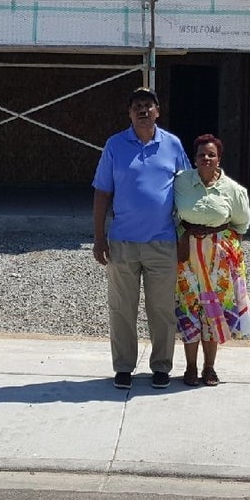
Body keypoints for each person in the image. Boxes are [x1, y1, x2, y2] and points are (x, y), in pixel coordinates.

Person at [92, 87, 191, 389]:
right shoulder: (115, 145)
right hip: (122, 243)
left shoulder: (172, 145)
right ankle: (123, 367)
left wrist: (185, 237)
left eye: (149, 105)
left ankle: (161, 366)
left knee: (161, 309)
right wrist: (99, 238)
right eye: (137, 106)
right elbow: (102, 192)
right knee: (122, 308)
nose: (143, 110)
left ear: (158, 111)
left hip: (163, 243)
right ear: (129, 113)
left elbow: (187, 192)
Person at [173, 133, 250, 386]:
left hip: (218, 260)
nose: (206, 158)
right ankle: (190, 368)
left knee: (213, 311)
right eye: (201, 155)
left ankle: (209, 368)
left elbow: (242, 223)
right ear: (193, 159)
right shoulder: (181, 182)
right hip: (188, 258)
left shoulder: (232, 189)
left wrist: (223, 245)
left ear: (219, 159)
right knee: (189, 309)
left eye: (211, 155)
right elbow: (171, 213)